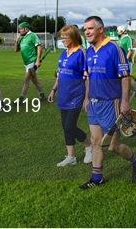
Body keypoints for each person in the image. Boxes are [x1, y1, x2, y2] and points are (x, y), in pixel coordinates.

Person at [80, 16, 136, 188]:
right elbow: (88, 77)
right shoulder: (90, 50)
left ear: (100, 29)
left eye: (90, 28)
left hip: (111, 103)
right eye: (85, 29)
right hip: (93, 103)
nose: (86, 32)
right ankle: (96, 178)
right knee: (95, 142)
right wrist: (86, 97)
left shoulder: (114, 48)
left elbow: (125, 76)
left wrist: (124, 102)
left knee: (112, 146)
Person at [47, 25, 92, 167]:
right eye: (61, 37)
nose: (62, 40)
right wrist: (54, 90)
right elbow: (59, 74)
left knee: (69, 126)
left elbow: (87, 77)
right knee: (65, 126)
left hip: (76, 95)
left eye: (64, 37)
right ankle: (71, 157)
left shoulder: (81, 53)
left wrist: (86, 98)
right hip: (63, 95)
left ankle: (89, 146)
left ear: (72, 37)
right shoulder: (63, 53)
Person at [14, 22, 45, 100]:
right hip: (26, 63)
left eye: (21, 29)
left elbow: (39, 47)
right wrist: (17, 40)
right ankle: (42, 95)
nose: (19, 31)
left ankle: (21, 98)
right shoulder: (22, 37)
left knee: (26, 79)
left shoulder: (32, 35)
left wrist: (37, 61)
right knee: (34, 80)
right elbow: (16, 50)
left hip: (32, 61)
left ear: (26, 28)